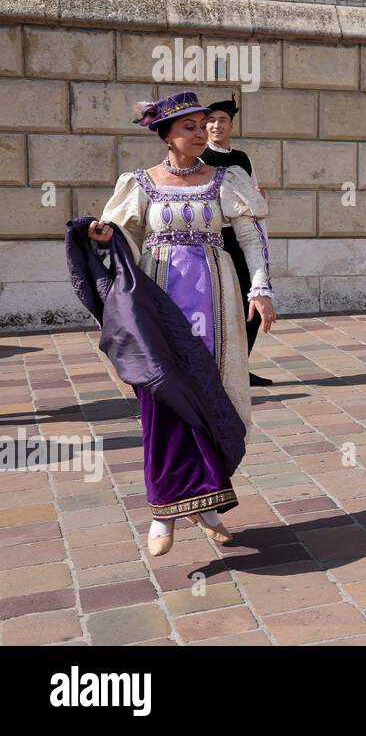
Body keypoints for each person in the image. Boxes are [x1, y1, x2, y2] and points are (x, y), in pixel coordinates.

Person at [84, 92, 274, 555]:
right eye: (188, 127)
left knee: (211, 393)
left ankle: (206, 504)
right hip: (161, 299)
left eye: (202, 123)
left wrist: (261, 288)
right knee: (166, 395)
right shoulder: (141, 184)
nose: (200, 132)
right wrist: (102, 240)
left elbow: (251, 236)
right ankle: (164, 509)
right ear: (167, 135)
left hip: (217, 298)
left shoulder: (226, 180)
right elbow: (124, 244)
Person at [201, 98, 273, 387]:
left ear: (231, 125)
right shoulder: (200, 158)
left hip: (242, 238)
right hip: (216, 239)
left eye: (223, 120)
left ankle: (241, 366)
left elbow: (255, 199)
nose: (217, 125)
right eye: (212, 120)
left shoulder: (242, 158)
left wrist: (259, 198)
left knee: (252, 301)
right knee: (219, 305)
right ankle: (215, 368)